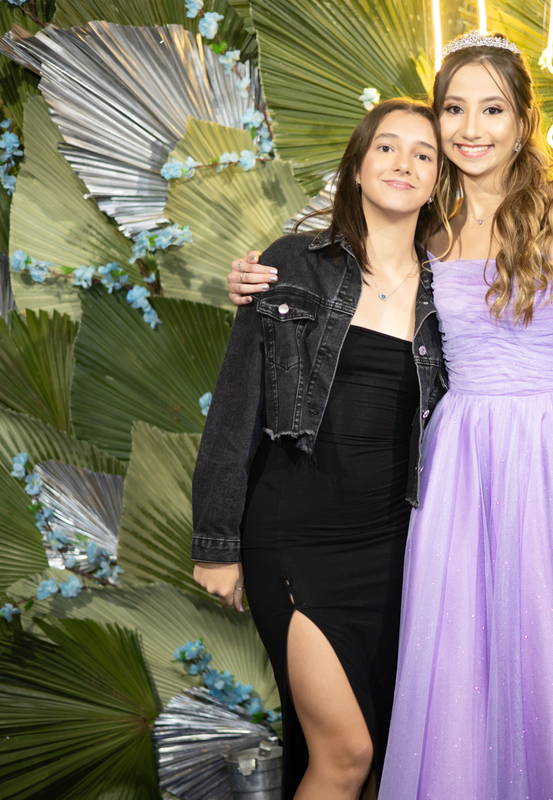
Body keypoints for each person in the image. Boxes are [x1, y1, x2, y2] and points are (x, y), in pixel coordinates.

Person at [227, 32, 553, 800]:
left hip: (552, 456)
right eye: (454, 109)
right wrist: (258, 277)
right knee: (468, 669)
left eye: (492, 109)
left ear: (524, 121)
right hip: (458, 468)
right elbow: (342, 254)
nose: (471, 128)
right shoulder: (431, 221)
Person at [191, 98, 449, 800]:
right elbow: (237, 407)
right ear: (357, 167)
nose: (403, 163)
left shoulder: (451, 293)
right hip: (296, 538)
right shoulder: (292, 265)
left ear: (437, 180)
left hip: (399, 548)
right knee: (346, 754)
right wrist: (216, 542)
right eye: (387, 147)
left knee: (388, 759)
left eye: (423, 154)